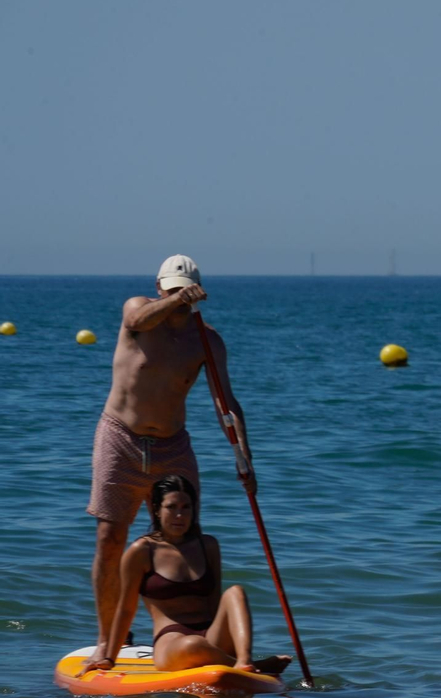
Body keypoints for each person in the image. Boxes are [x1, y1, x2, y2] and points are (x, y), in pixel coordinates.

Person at [87, 255, 255, 657]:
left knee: (184, 538)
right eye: (172, 289)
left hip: (172, 446)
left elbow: (226, 403)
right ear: (159, 288)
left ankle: (201, 639)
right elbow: (136, 321)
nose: (178, 298)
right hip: (121, 438)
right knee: (110, 538)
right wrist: (176, 300)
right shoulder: (138, 310)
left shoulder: (207, 340)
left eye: (185, 290)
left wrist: (244, 458)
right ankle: (107, 639)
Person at [78, 475, 288, 675]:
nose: (179, 515)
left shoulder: (207, 546)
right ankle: (254, 666)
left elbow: (215, 602)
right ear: (157, 510)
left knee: (236, 592)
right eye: (171, 507)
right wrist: (109, 658)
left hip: (211, 635)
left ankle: (245, 660)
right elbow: (126, 610)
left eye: (186, 507)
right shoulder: (142, 551)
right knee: (192, 645)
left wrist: (225, 639)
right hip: (171, 643)